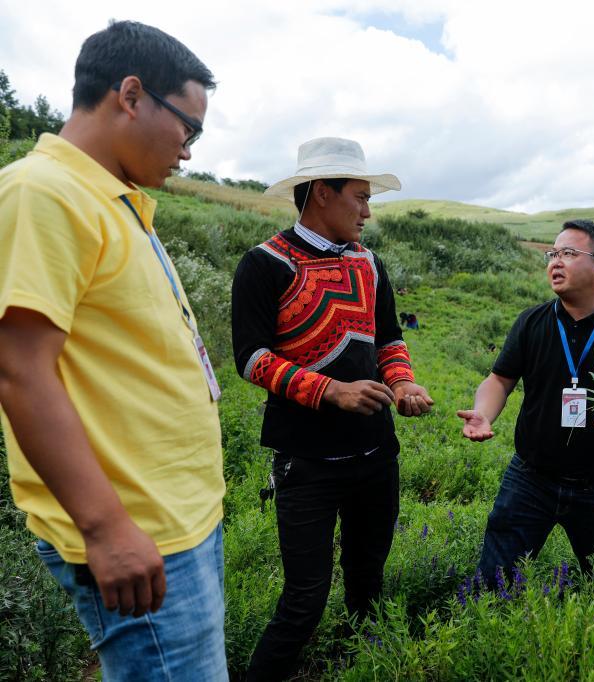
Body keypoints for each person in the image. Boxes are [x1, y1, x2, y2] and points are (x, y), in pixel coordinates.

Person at [0, 20, 227, 681]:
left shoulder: (116, 201)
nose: (188, 150)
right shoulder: (42, 193)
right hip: (137, 529)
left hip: (178, 518)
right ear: (131, 95)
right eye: (190, 127)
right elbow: (18, 370)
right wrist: (104, 529)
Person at [231, 137, 434, 681]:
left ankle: (358, 669)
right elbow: (250, 359)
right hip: (306, 463)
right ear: (322, 192)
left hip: (376, 455)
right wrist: (332, 391)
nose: (367, 212)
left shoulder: (370, 264)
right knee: (304, 601)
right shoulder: (264, 264)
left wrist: (405, 385)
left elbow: (388, 339)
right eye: (360, 198)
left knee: (368, 583)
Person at [458, 219, 594, 599]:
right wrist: (484, 413)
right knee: (491, 586)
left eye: (568, 253)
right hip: (530, 479)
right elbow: (499, 380)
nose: (555, 261)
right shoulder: (532, 322)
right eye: (552, 254)